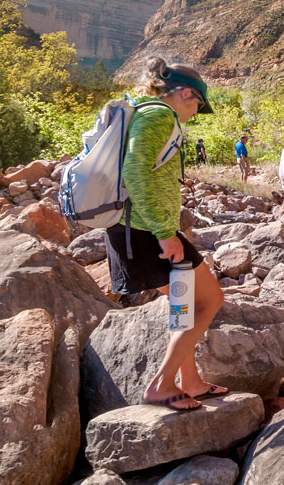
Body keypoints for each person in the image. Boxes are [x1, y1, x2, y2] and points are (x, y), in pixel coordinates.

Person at [105, 56, 226, 411]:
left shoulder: (143, 112)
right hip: (145, 232)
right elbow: (135, 171)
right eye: (198, 105)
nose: (195, 113)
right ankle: (161, 384)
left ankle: (190, 381)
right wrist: (163, 232)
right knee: (210, 300)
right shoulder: (159, 115)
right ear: (186, 93)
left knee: (183, 304)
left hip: (135, 229)